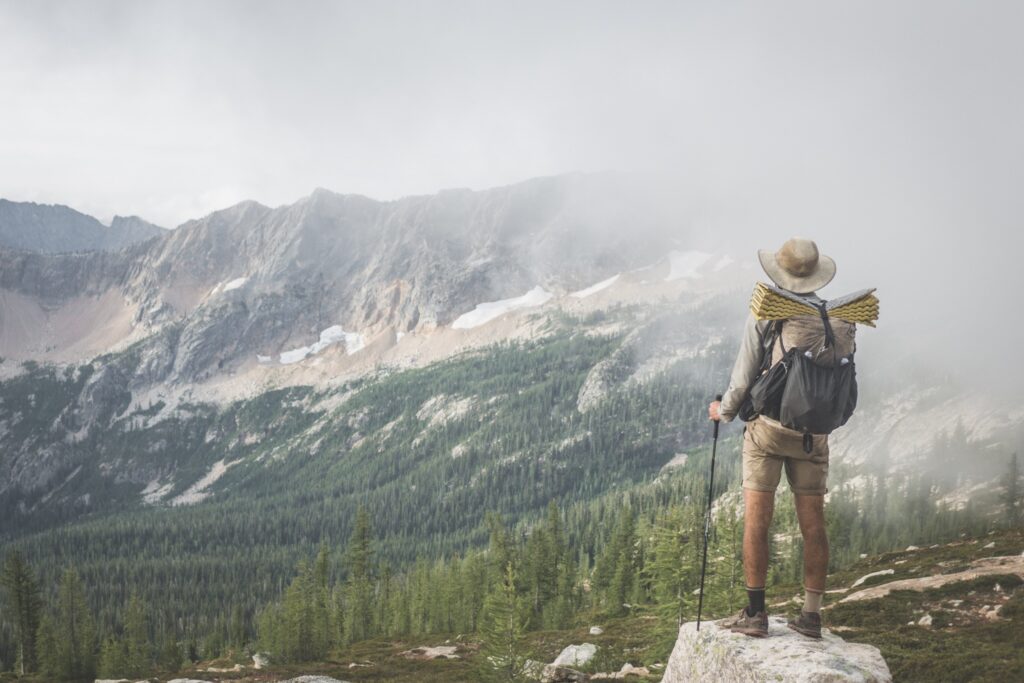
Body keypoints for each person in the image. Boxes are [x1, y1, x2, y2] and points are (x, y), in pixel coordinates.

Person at [708, 237, 841, 639]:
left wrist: (724, 411)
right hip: (814, 436)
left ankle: (756, 614)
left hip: (768, 432)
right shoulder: (832, 318)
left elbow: (743, 374)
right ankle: (811, 616)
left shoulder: (768, 312)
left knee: (758, 520)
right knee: (813, 524)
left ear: (780, 273)